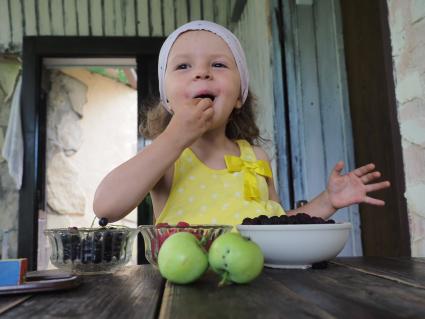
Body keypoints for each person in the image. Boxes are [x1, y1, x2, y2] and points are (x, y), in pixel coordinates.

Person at [93, 20, 390, 227]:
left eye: (218, 64)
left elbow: (276, 227)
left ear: (239, 97)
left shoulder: (256, 158)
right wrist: (175, 137)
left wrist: (328, 201)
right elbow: (106, 207)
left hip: (261, 289)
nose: (202, 73)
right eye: (183, 66)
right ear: (168, 99)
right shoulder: (167, 158)